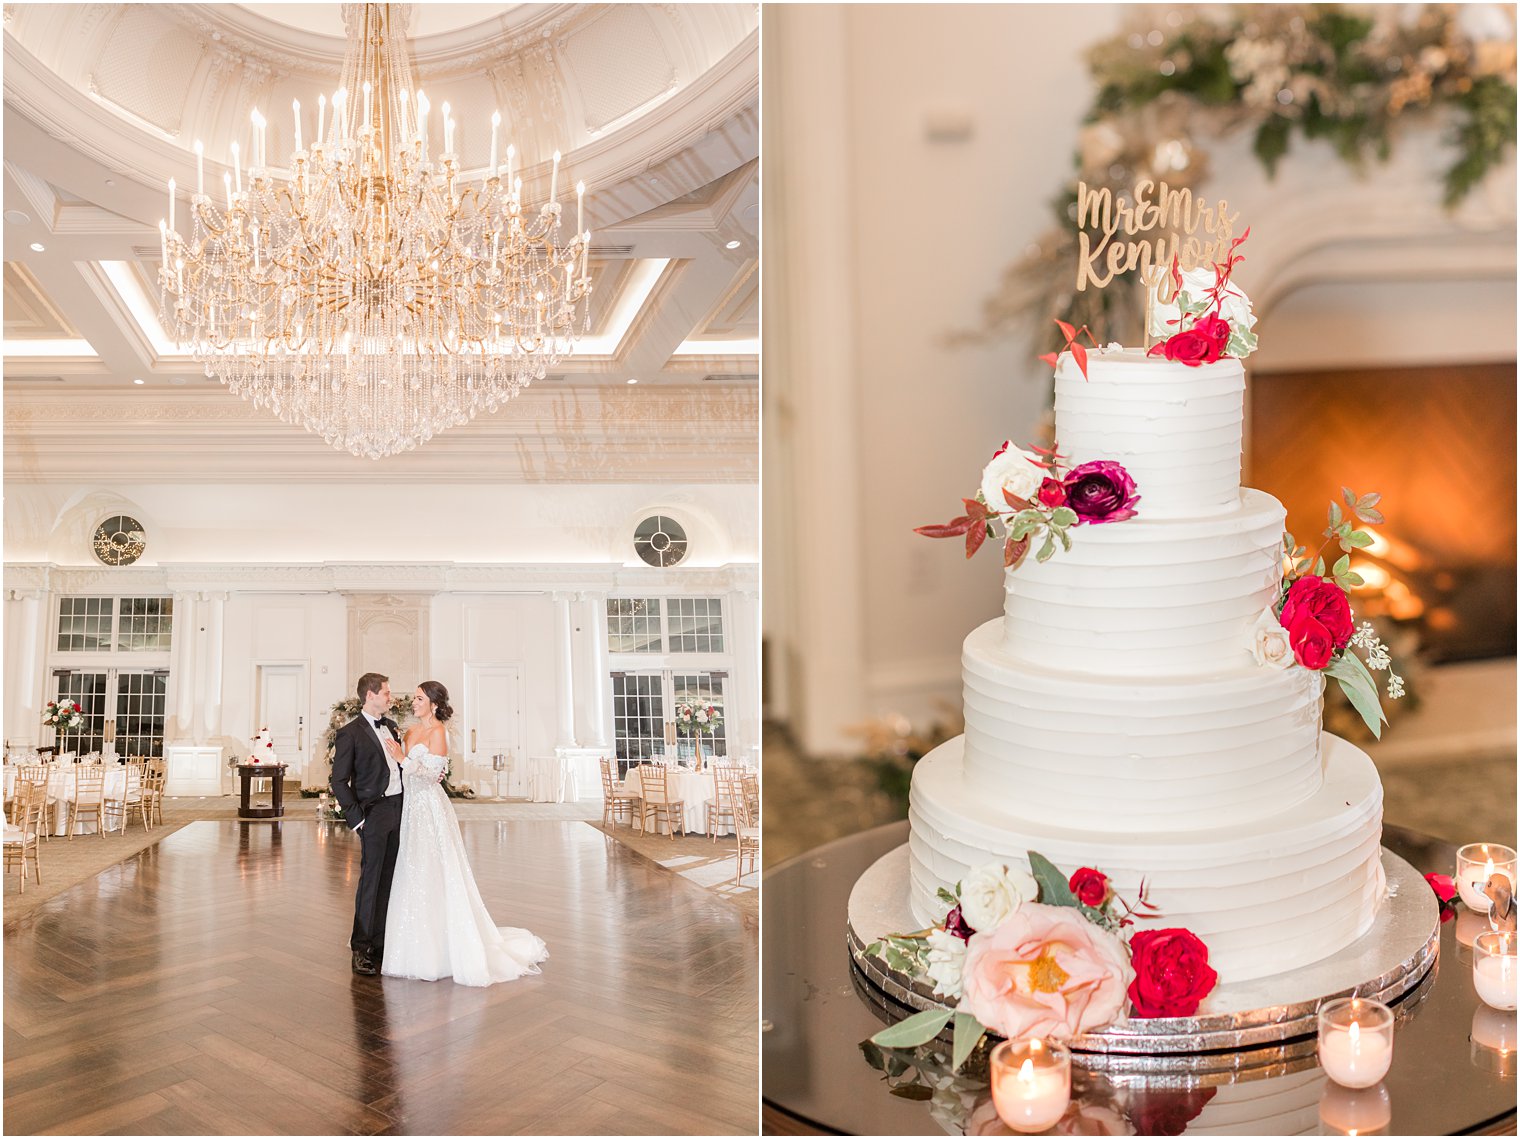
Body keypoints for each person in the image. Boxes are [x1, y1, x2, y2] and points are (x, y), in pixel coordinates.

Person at [381, 680, 548, 986]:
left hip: (430, 808)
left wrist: (403, 759)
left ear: (433, 704)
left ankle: (445, 949)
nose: (413, 702)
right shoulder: (408, 732)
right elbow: (403, 772)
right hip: (410, 809)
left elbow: (433, 776)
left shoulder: (438, 732)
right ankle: (410, 946)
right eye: (415, 698)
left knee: (434, 870)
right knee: (412, 869)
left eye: (419, 698)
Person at [330, 672, 406, 977]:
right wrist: (357, 818)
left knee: (389, 878)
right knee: (370, 881)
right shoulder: (350, 733)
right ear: (370, 695)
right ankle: (360, 948)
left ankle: (380, 942)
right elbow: (338, 780)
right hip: (373, 814)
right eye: (386, 693)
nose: (391, 697)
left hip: (399, 809)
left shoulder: (391, 727)